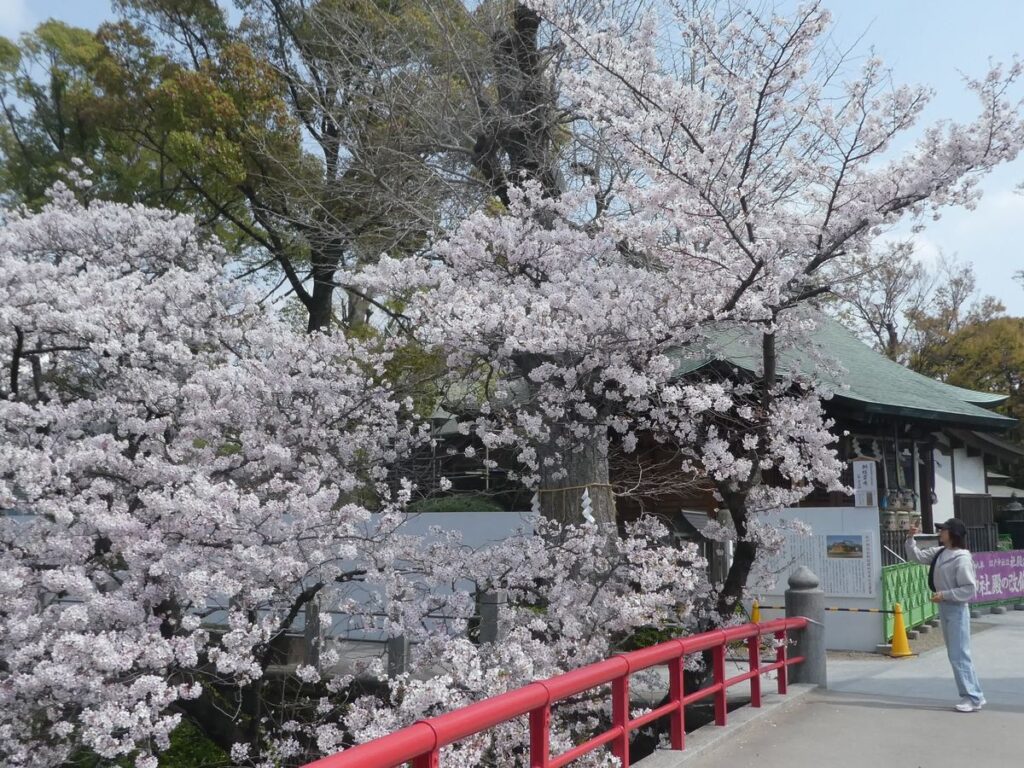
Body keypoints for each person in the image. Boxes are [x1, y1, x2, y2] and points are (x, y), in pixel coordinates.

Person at [905, 518, 985, 712]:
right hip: (946, 607)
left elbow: (968, 589)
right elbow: (916, 556)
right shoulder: (941, 552)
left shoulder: (962, 558)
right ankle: (975, 695)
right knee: (957, 653)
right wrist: (910, 538)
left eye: (944, 530)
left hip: (956, 608)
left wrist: (945, 594)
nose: (940, 532)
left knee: (959, 654)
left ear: (953, 534)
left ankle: (971, 697)